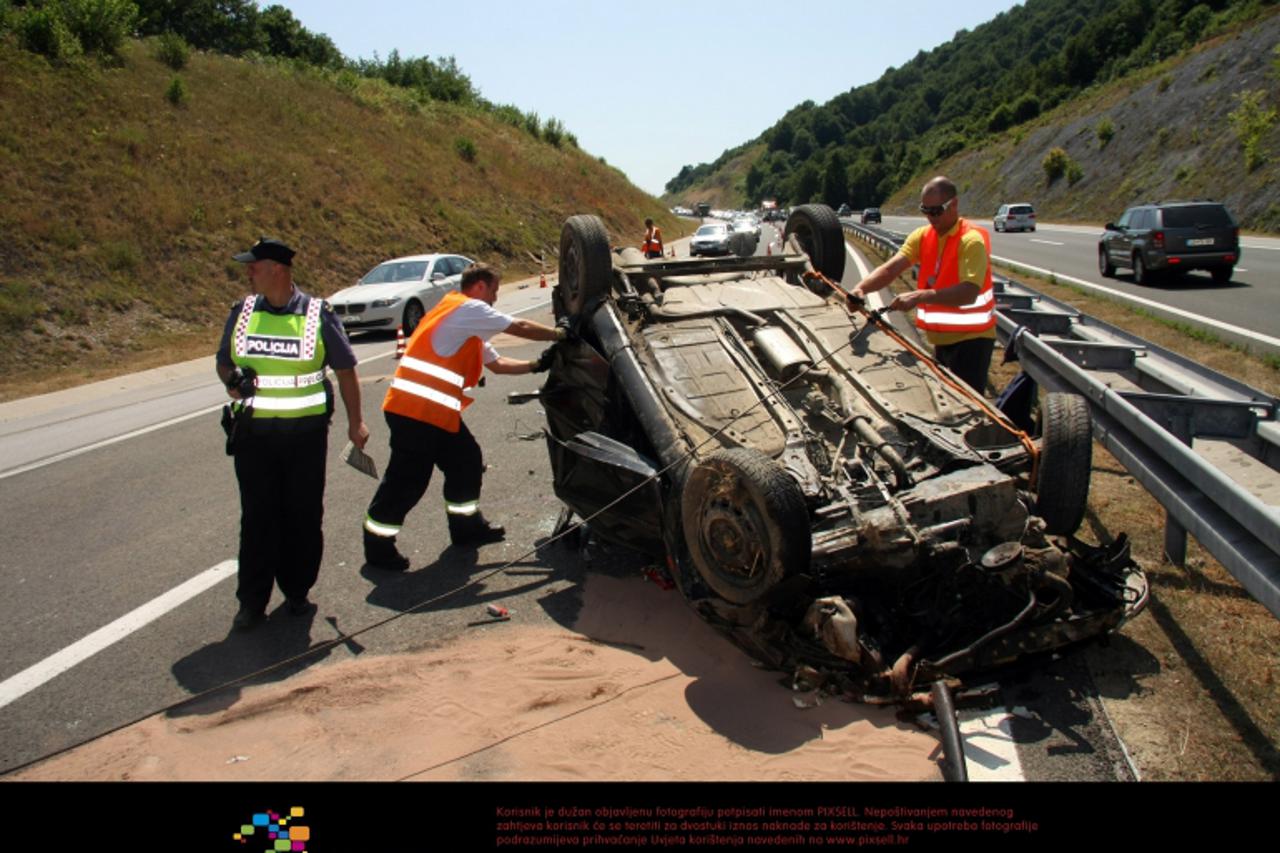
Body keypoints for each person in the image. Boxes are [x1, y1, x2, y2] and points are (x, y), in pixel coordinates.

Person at [362, 262, 565, 571]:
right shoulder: (467, 308)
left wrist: (538, 365)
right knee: (407, 481)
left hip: (435, 415)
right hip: (415, 412)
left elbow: (496, 364)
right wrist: (560, 334)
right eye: (494, 290)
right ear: (480, 287)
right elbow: (520, 327)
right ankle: (377, 544)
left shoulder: (465, 324)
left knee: (466, 462)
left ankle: (466, 529)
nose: (496, 298)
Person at [216, 237, 369, 631]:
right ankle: (251, 602)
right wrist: (232, 380)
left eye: (254, 265)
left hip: (305, 435)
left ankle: (297, 590)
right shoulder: (243, 311)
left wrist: (356, 422)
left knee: (301, 515)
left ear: (278, 270)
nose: (248, 271)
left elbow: (346, 371)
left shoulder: (319, 314)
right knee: (258, 518)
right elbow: (223, 362)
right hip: (254, 435)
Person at [846, 176, 996, 393]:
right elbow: (891, 269)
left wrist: (919, 296)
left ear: (953, 204)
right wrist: (861, 288)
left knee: (967, 406)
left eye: (936, 211)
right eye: (925, 210)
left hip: (972, 339)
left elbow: (969, 293)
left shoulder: (971, 240)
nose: (930, 217)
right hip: (941, 338)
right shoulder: (924, 236)